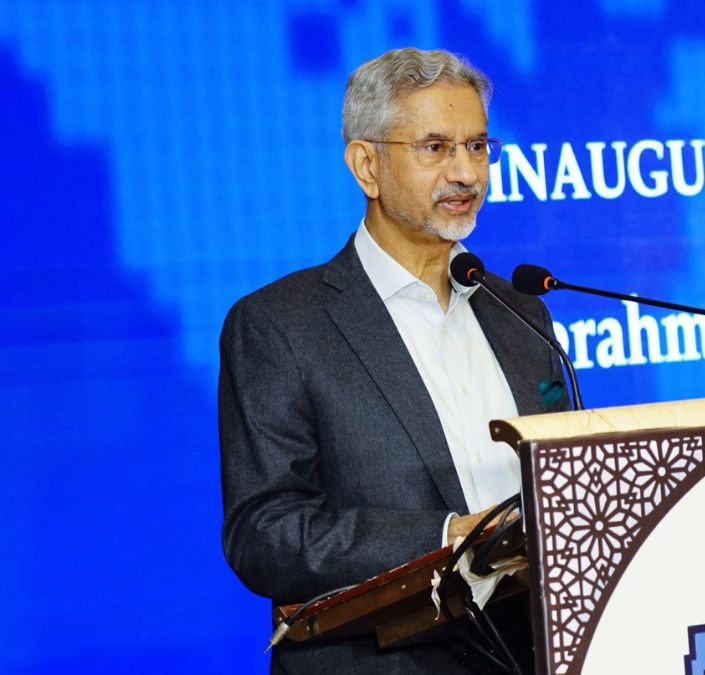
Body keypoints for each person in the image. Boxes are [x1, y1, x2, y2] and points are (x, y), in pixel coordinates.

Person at [218, 47, 565, 673]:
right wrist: (447, 537)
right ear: (366, 165)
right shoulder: (280, 324)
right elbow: (264, 534)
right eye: (435, 148)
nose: (467, 173)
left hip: (533, 652)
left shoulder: (520, 313)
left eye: (479, 146)